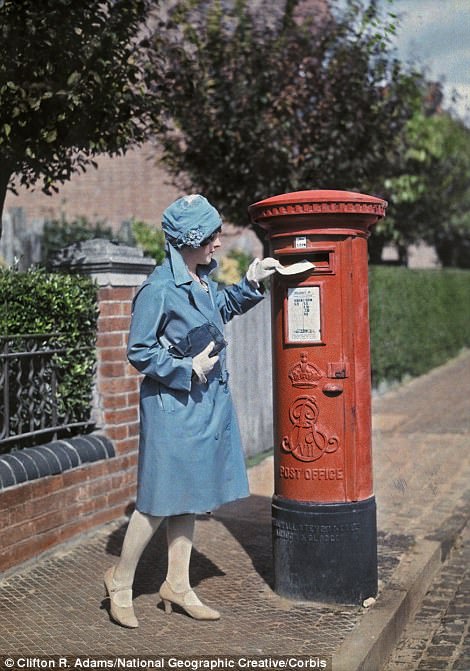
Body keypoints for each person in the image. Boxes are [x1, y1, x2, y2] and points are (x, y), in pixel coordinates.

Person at [104, 194, 280, 627]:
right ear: (190, 239)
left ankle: (177, 585)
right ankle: (120, 580)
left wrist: (253, 283)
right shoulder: (159, 288)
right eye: (212, 236)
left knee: (189, 496)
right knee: (157, 499)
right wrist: (187, 367)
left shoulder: (199, 279)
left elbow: (217, 311)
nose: (219, 243)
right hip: (172, 406)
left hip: (201, 405)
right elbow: (139, 351)